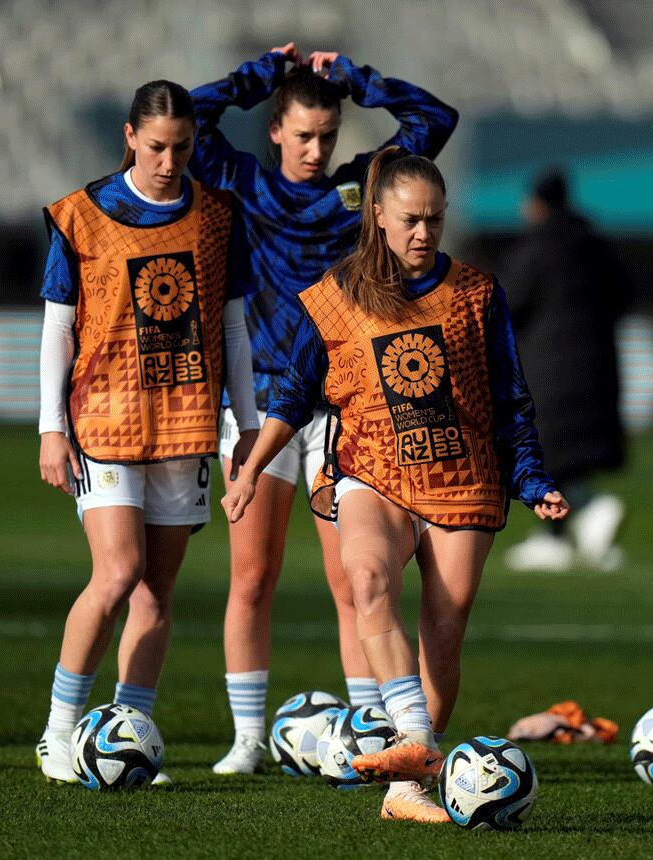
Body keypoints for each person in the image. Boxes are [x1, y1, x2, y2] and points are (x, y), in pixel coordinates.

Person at [222, 147, 567, 822]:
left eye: (435, 220)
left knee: (444, 629)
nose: (423, 233)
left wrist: (531, 479)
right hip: (370, 470)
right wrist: (254, 464)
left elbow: (510, 401)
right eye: (410, 219)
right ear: (377, 216)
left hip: (461, 478)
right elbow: (293, 392)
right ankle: (416, 743)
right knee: (367, 581)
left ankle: (404, 788)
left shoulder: (477, 293)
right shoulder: (333, 295)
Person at [188, 43, 458, 776]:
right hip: (257, 406)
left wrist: (354, 80)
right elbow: (186, 117)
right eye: (302, 135)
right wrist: (258, 76)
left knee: (353, 581)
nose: (315, 149)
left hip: (340, 408)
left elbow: (436, 119)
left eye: (327, 136)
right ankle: (247, 739)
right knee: (252, 577)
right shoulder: (241, 182)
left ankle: (370, 733)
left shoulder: (358, 193)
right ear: (274, 130)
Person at [34, 81, 258, 785]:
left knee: (157, 591)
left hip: (187, 421)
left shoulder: (220, 215)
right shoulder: (78, 215)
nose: (170, 160)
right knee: (118, 572)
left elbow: (231, 325)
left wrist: (246, 423)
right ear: (130, 137)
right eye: (157, 146)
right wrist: (50, 427)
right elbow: (58, 328)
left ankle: (127, 732)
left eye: (182, 147)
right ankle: (58, 734)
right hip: (102, 416)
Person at [500, 170, 632, 572]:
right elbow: (625, 296)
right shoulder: (595, 245)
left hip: (548, 370)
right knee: (562, 456)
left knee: (535, 450)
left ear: (536, 204)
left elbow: (507, 305)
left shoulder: (534, 249)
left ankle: (586, 511)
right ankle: (564, 533)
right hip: (597, 369)